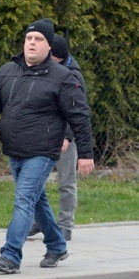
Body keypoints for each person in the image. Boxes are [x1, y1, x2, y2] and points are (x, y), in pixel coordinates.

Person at [0, 18, 94, 274]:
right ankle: (56, 245)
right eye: (29, 38)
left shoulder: (63, 77)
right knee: (36, 199)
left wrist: (85, 154)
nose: (32, 43)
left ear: (49, 47)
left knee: (23, 200)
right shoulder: (7, 71)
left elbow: (79, 116)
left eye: (38, 39)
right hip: (14, 148)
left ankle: (10, 256)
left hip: (42, 151)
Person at [28, 34, 86, 241]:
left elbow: (77, 111)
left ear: (56, 57)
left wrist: (67, 137)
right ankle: (41, 222)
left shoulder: (72, 76)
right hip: (43, 134)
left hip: (64, 139)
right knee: (35, 182)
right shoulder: (44, 70)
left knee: (66, 183)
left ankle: (65, 226)